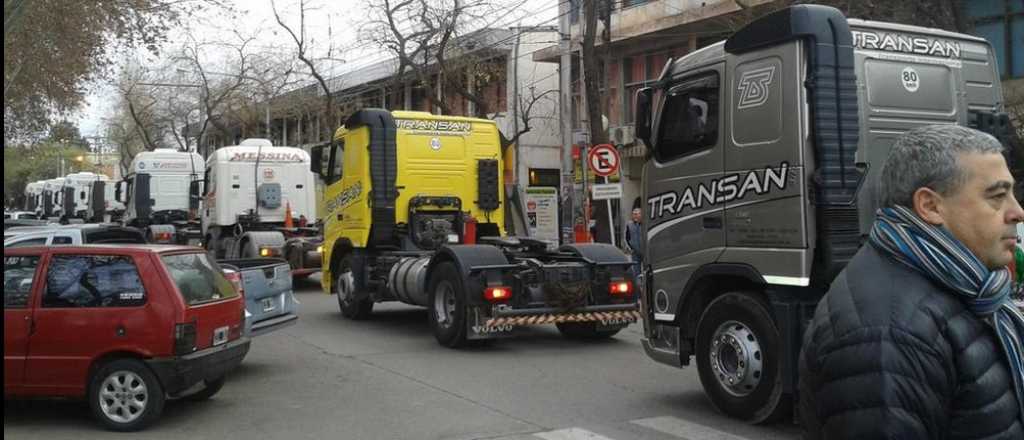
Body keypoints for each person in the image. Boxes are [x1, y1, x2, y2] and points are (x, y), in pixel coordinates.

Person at [799, 125, 1024, 440]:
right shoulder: (887, 335)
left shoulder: (966, 287)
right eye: (997, 196)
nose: (1018, 212)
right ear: (931, 207)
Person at [625, 207, 643, 275]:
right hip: (635, 251)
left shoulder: (645, 224)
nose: (635, 216)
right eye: (634, 214)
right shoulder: (629, 225)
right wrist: (631, 248)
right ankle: (639, 284)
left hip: (645, 250)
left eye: (637, 214)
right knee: (636, 271)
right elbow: (627, 237)